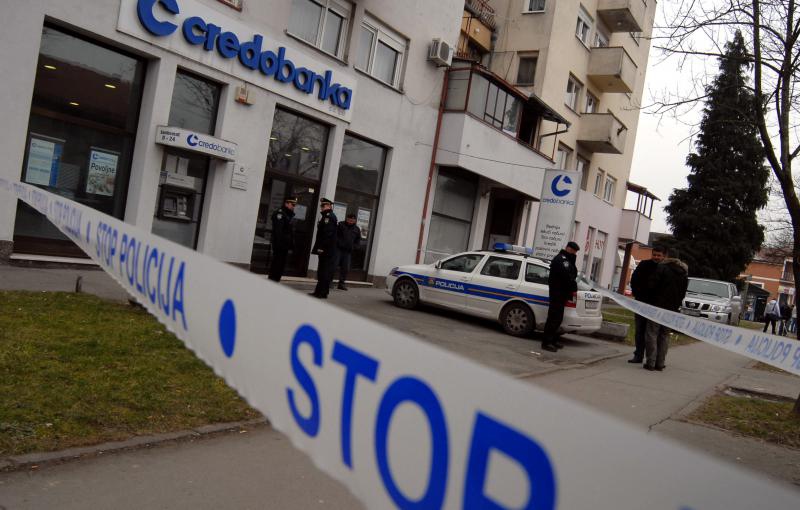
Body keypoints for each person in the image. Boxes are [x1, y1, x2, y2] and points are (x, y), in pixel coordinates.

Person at [643, 248, 688, 371]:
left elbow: (652, 286)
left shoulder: (661, 268)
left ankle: (651, 362)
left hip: (657, 306)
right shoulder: (683, 273)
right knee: (664, 335)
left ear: (667, 256)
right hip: (672, 309)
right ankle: (660, 363)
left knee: (652, 333)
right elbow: (683, 293)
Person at [627, 245, 665, 364]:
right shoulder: (644, 265)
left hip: (656, 305)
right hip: (641, 303)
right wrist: (637, 294)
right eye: (654, 255)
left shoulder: (665, 268)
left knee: (653, 333)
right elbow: (634, 279)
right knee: (640, 330)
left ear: (663, 256)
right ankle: (638, 355)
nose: (656, 257)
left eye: (659, 255)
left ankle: (653, 359)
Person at [542, 241, 580, 352]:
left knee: (558, 319)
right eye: (573, 251)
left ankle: (553, 340)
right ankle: (546, 342)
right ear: (568, 249)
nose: (574, 254)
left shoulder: (567, 259)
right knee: (553, 318)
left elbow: (573, 273)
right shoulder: (561, 259)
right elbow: (568, 276)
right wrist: (573, 286)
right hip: (557, 293)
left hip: (562, 293)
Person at [310, 197, 338, 299]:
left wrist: (321, 247)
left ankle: (321, 292)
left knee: (323, 271)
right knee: (323, 270)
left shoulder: (328, 217)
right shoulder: (327, 216)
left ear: (329, 206)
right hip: (328, 249)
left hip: (326, 249)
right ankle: (321, 292)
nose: (321, 207)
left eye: (323, 205)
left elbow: (327, 234)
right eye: (321, 205)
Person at [267, 197, 297, 283]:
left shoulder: (288, 214)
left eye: (294, 205)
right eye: (292, 204)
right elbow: (278, 231)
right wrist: (279, 244)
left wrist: (290, 244)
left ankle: (276, 280)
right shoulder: (280, 214)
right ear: (286, 203)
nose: (293, 206)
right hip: (279, 244)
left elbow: (289, 231)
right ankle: (272, 280)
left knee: (281, 264)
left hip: (284, 245)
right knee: (277, 263)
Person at [334, 213, 361, 290]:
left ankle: (341, 284)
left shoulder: (356, 229)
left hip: (348, 251)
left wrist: (354, 247)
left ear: (355, 220)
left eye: (353, 220)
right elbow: (335, 235)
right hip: (338, 249)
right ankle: (328, 282)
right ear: (347, 219)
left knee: (345, 268)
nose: (351, 221)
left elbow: (358, 240)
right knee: (334, 266)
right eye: (350, 219)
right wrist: (338, 243)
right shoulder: (340, 225)